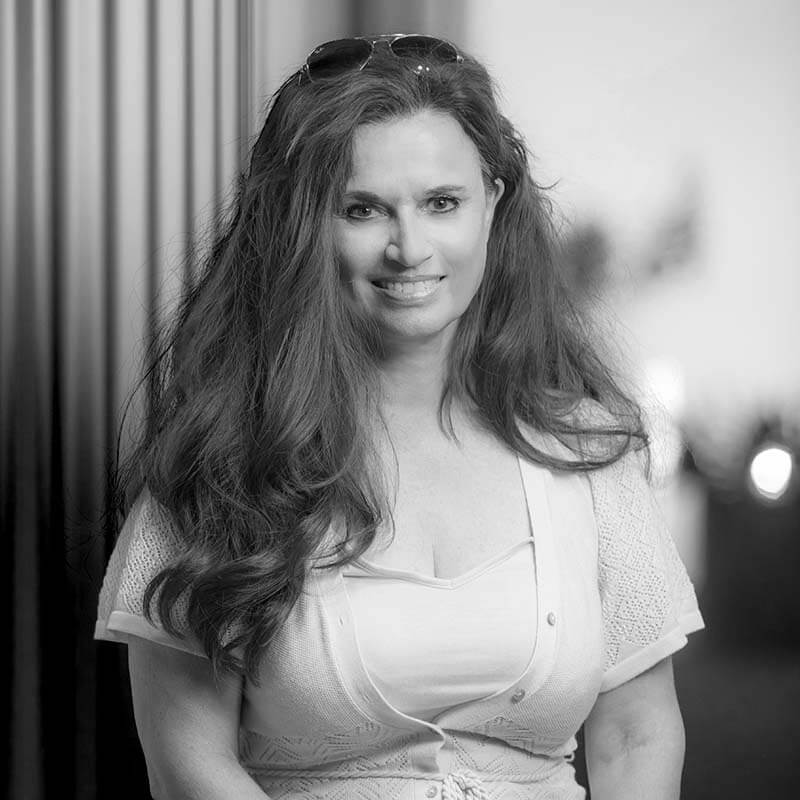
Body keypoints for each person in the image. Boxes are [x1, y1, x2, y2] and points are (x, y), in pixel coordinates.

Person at [96, 34, 704, 800]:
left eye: (442, 203)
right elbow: (189, 765)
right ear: (301, 226)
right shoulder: (221, 462)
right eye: (363, 210)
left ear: (493, 204)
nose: (409, 247)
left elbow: (635, 734)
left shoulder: (584, 450)